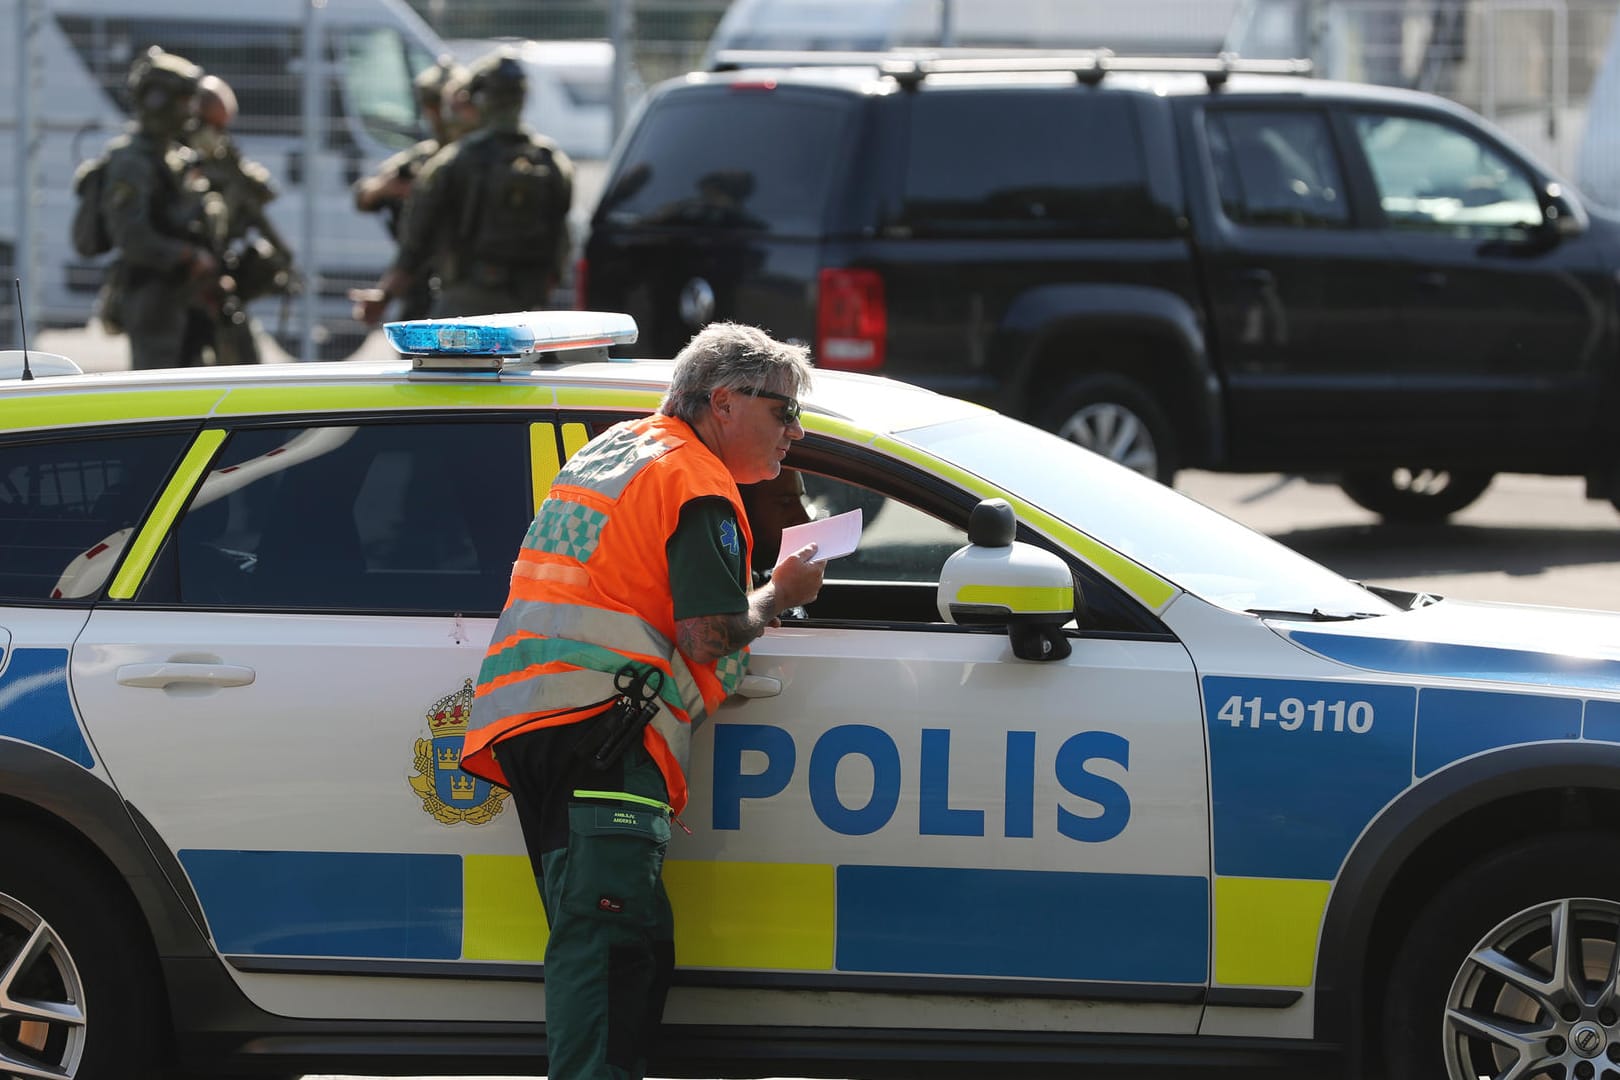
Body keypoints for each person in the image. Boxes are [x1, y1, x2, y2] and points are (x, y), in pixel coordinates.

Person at [458, 322, 824, 1079]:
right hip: (606, 733)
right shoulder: (695, 480)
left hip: (544, 722)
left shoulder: (619, 447)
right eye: (783, 412)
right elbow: (709, 634)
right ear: (724, 401)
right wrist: (780, 594)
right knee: (609, 952)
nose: (795, 430)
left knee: (635, 943)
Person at [359, 47, 574, 323]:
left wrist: (384, 296)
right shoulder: (553, 162)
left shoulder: (452, 162)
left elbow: (415, 244)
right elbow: (562, 243)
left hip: (461, 310)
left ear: (480, 101)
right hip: (527, 312)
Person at [91, 47, 221, 370]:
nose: (189, 111)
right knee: (159, 404)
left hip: (184, 297)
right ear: (157, 101)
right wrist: (188, 256)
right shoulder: (131, 162)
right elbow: (133, 238)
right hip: (154, 301)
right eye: (182, 101)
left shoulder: (173, 156)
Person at [181, 74, 295, 365]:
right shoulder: (176, 162)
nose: (219, 134)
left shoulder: (226, 161)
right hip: (181, 296)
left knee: (243, 363)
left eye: (223, 127)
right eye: (214, 126)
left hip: (219, 288)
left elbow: (255, 200)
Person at [349, 56, 463, 324]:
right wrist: (390, 189)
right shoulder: (422, 158)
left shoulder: (472, 160)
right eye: (431, 106)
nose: (436, 115)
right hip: (419, 284)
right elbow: (363, 195)